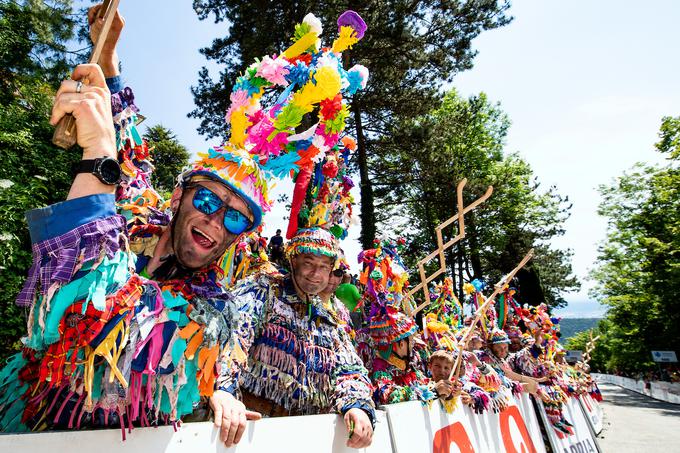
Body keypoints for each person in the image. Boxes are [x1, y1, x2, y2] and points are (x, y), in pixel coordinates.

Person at [0, 5, 266, 445]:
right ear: (178, 197)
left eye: (235, 216)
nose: (215, 219)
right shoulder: (141, 215)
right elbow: (129, 159)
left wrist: (99, 154)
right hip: (24, 415)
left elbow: (97, 312)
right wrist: (110, 59)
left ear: (239, 236)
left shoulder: (216, 313)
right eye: (206, 198)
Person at [224, 228, 375, 449]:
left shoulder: (328, 319)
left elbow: (350, 370)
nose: (316, 273)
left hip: (308, 438)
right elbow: (232, 338)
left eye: (324, 267)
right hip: (248, 435)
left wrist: (357, 406)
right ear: (293, 260)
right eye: (309, 262)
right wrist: (226, 392)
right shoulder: (263, 290)